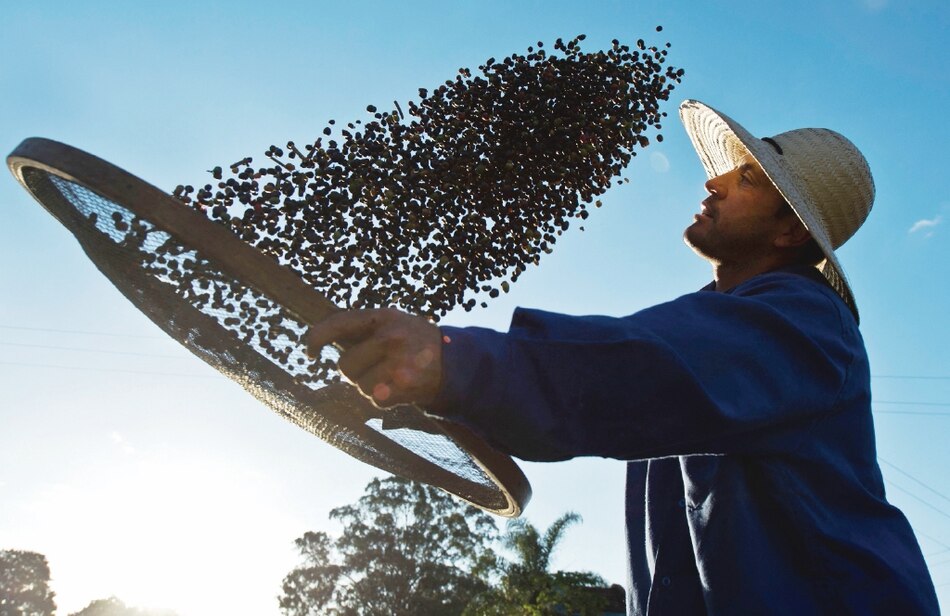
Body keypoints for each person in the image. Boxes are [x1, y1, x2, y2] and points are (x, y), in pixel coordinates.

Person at [306, 99, 940, 614]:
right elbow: (615, 404)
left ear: (789, 231)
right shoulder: (703, 321)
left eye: (746, 179)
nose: (714, 181)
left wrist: (455, 365)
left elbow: (637, 371)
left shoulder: (802, 321)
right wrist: (442, 397)